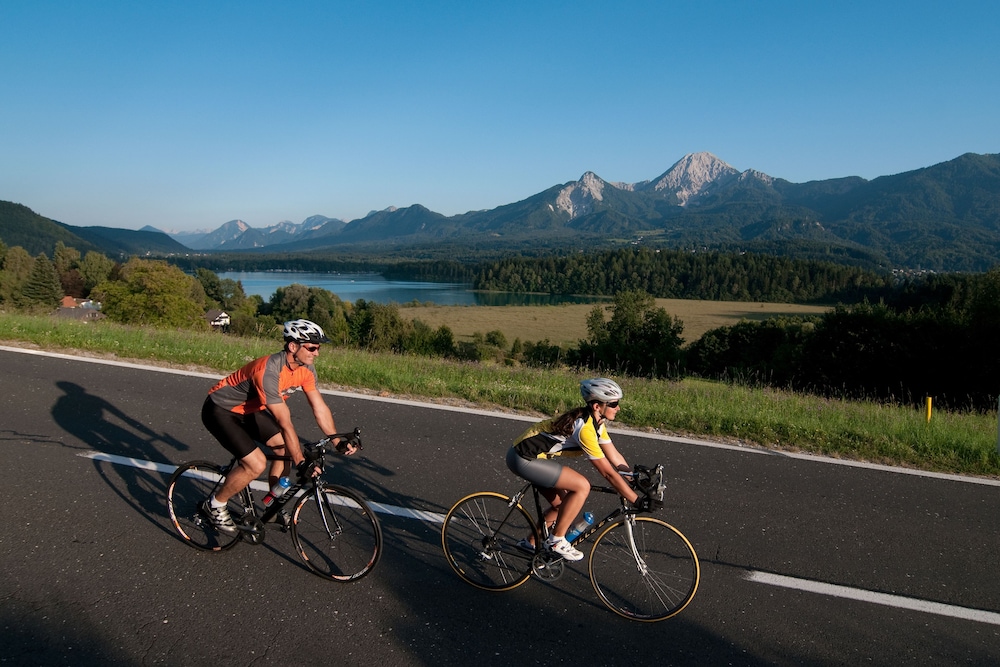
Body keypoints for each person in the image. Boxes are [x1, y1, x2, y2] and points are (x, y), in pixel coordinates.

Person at [199, 318, 356, 534]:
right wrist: (301, 462)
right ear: (293, 346)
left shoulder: (306, 369)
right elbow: (284, 422)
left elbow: (319, 407)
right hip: (220, 410)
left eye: (318, 348)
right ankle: (215, 504)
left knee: (284, 450)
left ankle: (272, 505)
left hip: (250, 411)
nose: (317, 353)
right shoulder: (269, 370)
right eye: (312, 347)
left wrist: (337, 440)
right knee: (256, 464)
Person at [505, 377, 658, 561]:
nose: (618, 408)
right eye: (614, 404)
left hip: (532, 457)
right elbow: (608, 473)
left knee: (562, 506)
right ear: (597, 406)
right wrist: (636, 500)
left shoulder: (597, 423)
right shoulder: (584, 428)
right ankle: (556, 541)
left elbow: (614, 457)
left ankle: (530, 543)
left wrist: (633, 479)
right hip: (524, 459)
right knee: (581, 486)